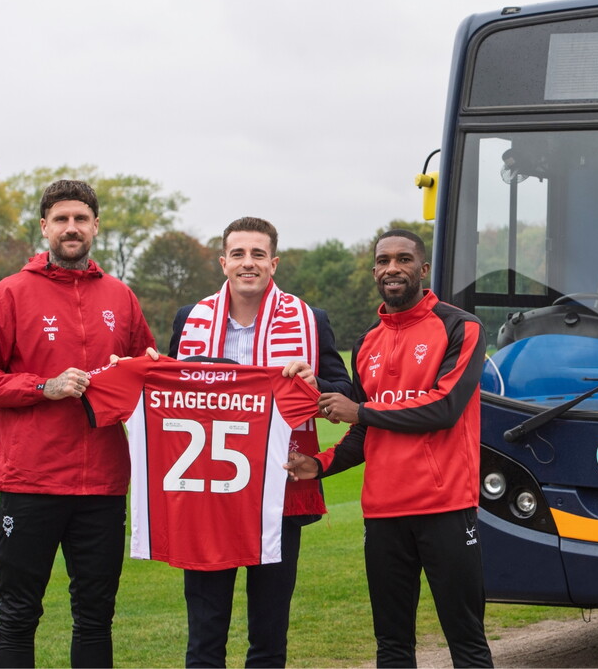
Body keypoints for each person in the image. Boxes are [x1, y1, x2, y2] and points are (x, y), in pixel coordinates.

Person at [0, 179, 157, 668]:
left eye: (81, 219)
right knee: (19, 614)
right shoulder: (9, 293)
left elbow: (149, 372)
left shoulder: (121, 296)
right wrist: (41, 386)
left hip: (103, 486)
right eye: (62, 219)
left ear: (95, 227)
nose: (72, 228)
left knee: (95, 618)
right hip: (32, 483)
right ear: (45, 227)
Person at [285, 229, 493, 668]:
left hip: (446, 509)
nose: (391, 268)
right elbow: (366, 433)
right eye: (382, 261)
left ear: (423, 269)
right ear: (375, 270)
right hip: (383, 515)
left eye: (402, 259)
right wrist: (318, 464)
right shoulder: (366, 343)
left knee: (467, 642)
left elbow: (445, 408)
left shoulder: (461, 327)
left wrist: (362, 411)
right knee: (392, 645)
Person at [167, 216, 352, 668]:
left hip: (279, 488)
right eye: (237, 253)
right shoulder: (190, 319)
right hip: (209, 487)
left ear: (273, 261)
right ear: (223, 262)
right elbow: (168, 391)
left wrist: (315, 383)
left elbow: (345, 393)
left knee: (269, 629)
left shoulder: (310, 319)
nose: (247, 263)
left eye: (257, 254)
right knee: (205, 631)